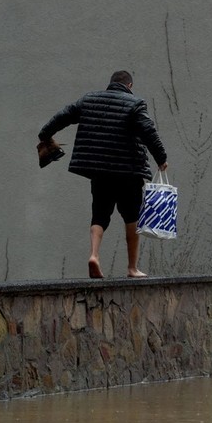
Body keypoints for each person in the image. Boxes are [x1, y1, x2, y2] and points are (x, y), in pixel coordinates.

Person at [37, 70, 168, 279]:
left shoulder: (88, 100)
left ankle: (94, 255)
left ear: (111, 84)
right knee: (132, 216)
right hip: (128, 172)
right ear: (129, 86)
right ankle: (132, 268)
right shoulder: (134, 104)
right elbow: (148, 131)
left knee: (99, 214)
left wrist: (45, 134)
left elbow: (63, 116)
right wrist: (161, 158)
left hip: (100, 171)